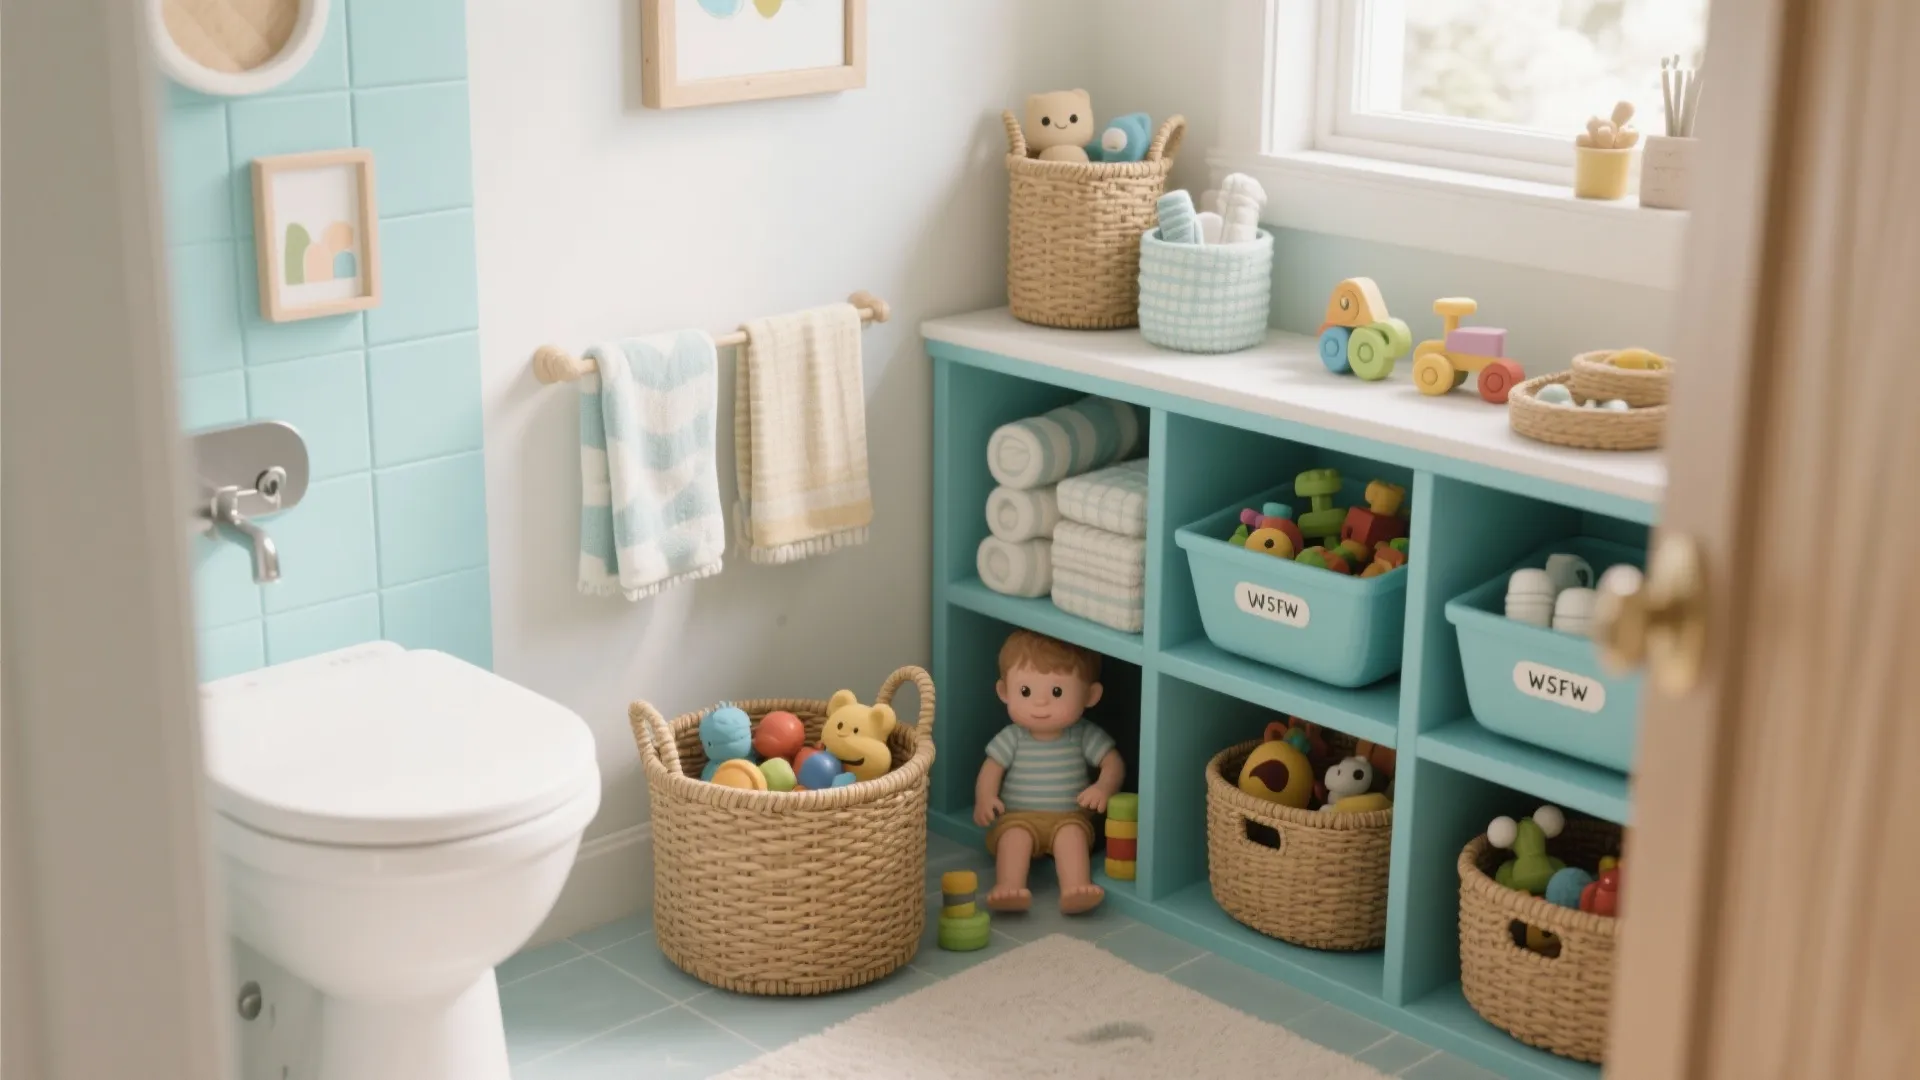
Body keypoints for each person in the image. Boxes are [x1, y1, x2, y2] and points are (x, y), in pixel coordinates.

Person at [973, 630, 1125, 914]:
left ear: (1090, 695)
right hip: (1018, 817)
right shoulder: (1013, 737)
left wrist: (1104, 788)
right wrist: (985, 798)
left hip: (1068, 817)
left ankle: (1075, 888)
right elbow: (991, 769)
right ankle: (1008, 886)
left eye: (1057, 692)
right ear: (1005, 692)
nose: (1040, 703)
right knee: (1013, 840)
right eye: (1025, 692)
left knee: (1072, 839)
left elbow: (1112, 762)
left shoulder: (1081, 735)